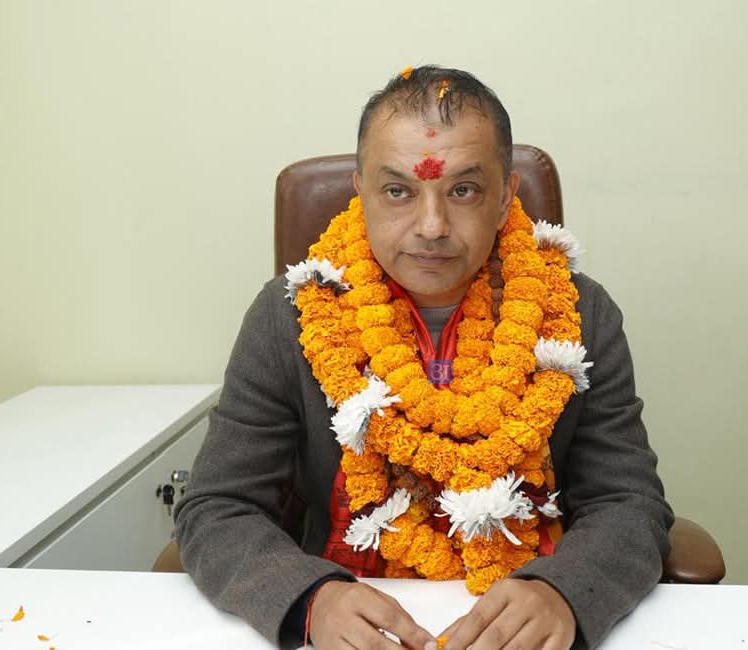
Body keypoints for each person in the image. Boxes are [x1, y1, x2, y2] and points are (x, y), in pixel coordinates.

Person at [174, 66, 672, 650]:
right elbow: (218, 507)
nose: (432, 227)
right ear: (360, 193)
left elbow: (628, 504)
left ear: (505, 197)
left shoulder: (579, 312)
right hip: (351, 614)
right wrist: (311, 599)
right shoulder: (289, 316)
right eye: (398, 192)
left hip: (523, 618)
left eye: (463, 191)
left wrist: (565, 593)